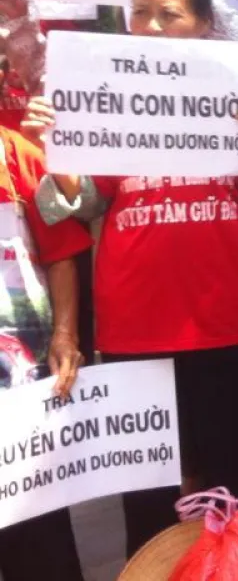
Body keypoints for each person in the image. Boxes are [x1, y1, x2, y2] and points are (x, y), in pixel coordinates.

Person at [25, 0, 238, 558]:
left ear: (201, 24)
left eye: (168, 13)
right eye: (139, 12)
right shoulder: (103, 97)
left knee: (235, 489)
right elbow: (81, 201)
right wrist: (57, 145)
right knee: (148, 494)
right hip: (135, 328)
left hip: (223, 321)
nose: (149, 26)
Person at [0, 121, 91, 581]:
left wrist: (65, 334)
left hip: (21, 377)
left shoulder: (18, 154)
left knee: (36, 520)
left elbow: (60, 253)